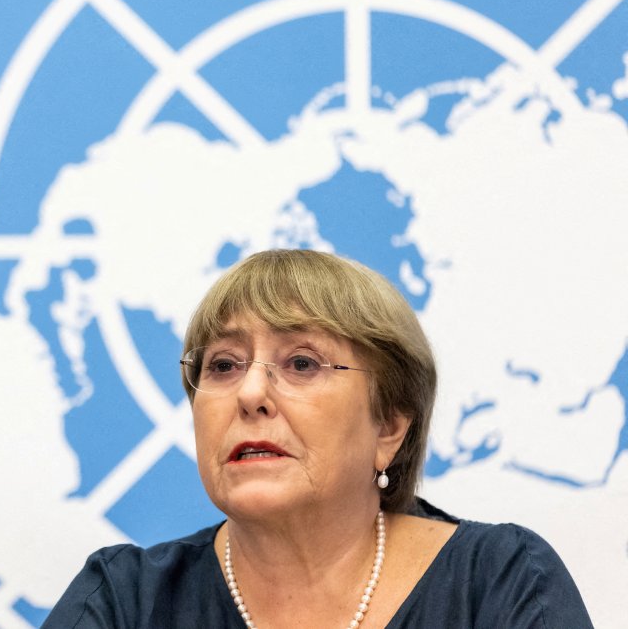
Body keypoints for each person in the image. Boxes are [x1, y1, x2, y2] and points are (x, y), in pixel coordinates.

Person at [43, 249, 592, 628]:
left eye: (301, 362)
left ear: (389, 426)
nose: (250, 392)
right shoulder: (126, 601)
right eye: (224, 365)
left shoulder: (498, 580)